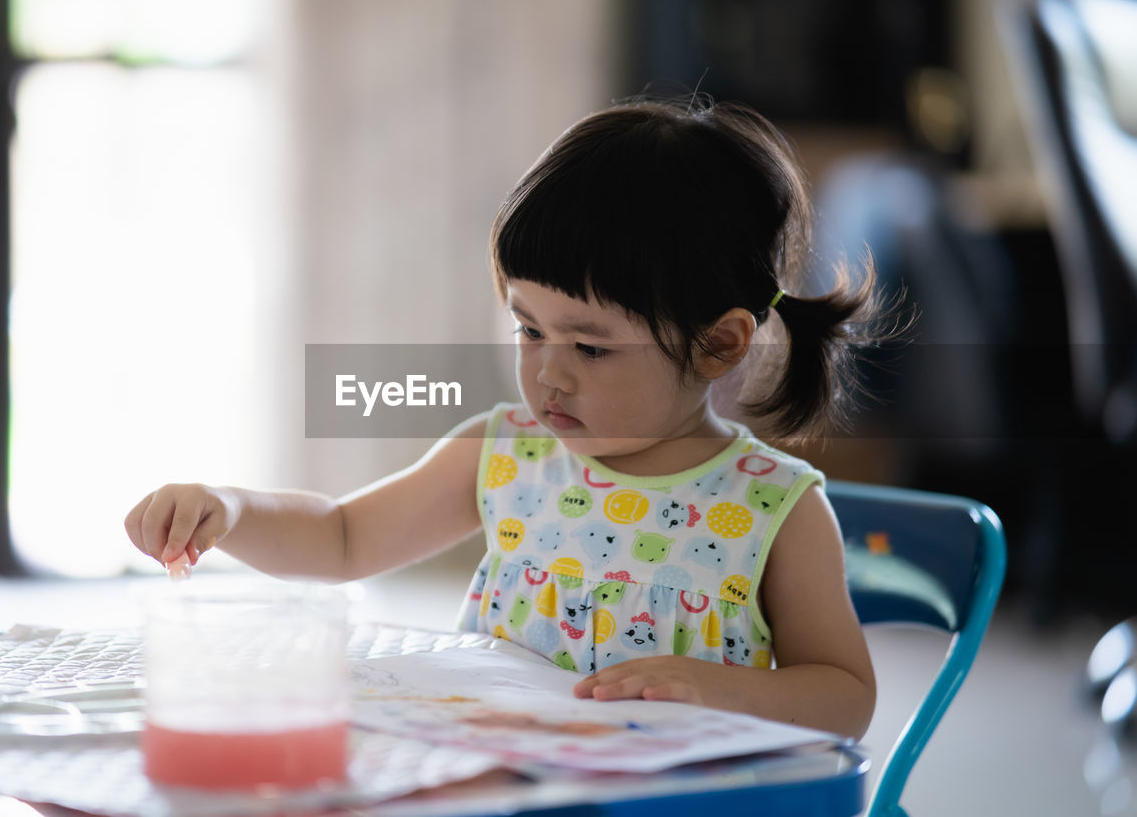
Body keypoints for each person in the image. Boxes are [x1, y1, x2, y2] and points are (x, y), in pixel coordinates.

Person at [125, 97, 885, 740]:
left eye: (590, 345)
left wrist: (714, 685)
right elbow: (343, 535)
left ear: (718, 343)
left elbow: (845, 695)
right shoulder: (505, 453)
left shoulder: (772, 506)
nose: (547, 372)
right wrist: (229, 508)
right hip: (506, 779)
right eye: (529, 329)